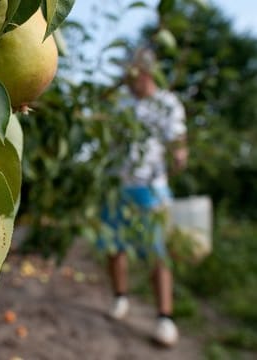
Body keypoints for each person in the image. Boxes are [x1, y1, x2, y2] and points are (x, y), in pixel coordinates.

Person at [99, 47, 188, 347]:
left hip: (151, 187)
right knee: (115, 246)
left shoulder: (166, 103)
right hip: (117, 185)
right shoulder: (120, 103)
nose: (125, 78)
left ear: (145, 73)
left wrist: (178, 151)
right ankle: (120, 298)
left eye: (130, 73)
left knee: (157, 251)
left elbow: (177, 137)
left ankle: (165, 317)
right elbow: (105, 134)